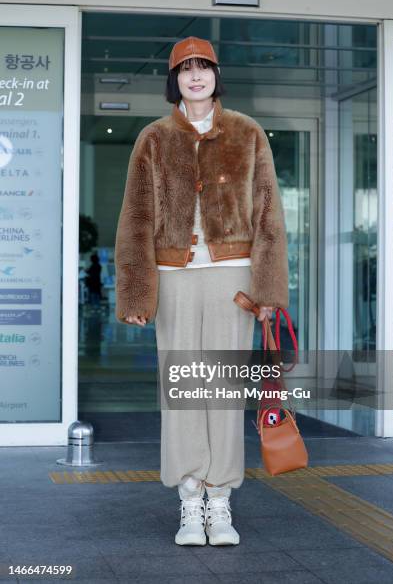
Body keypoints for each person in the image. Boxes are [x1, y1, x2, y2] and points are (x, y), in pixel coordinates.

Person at [114, 37, 289, 546]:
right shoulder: (153, 138)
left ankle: (222, 500)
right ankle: (190, 500)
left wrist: (268, 289)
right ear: (174, 80)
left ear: (216, 76)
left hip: (233, 280)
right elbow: (136, 219)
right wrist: (135, 294)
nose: (195, 77)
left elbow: (268, 215)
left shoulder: (247, 133)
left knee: (224, 392)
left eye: (203, 68)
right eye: (185, 69)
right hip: (173, 279)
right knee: (184, 391)